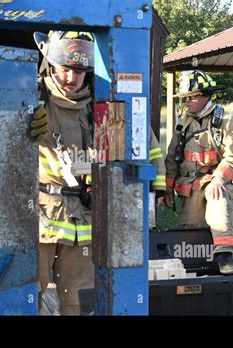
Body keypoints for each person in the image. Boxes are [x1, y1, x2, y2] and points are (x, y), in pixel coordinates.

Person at [30, 31, 166, 315]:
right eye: (66, 69)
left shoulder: (103, 104)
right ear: (52, 64)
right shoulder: (33, 97)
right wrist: (24, 123)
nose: (72, 78)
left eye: (79, 72)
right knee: (30, 293)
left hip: (84, 217)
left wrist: (157, 186)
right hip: (42, 215)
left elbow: (146, 145)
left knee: (78, 300)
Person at [164, 70, 233, 274]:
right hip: (189, 186)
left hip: (213, 181)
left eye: (191, 97)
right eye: (185, 98)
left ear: (205, 95)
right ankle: (198, 270)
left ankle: (225, 257)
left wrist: (219, 179)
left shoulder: (225, 121)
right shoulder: (183, 124)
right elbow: (172, 158)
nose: (187, 102)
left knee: (218, 204)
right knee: (193, 234)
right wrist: (166, 189)